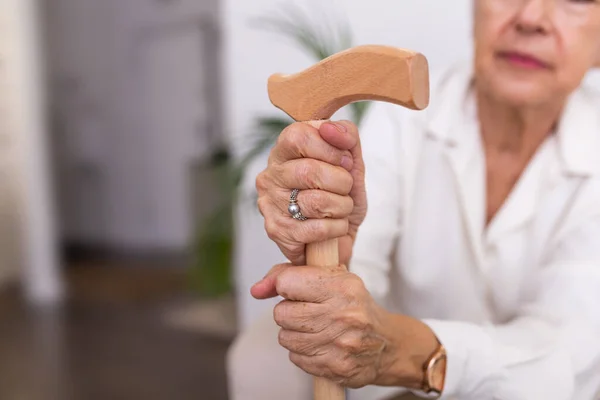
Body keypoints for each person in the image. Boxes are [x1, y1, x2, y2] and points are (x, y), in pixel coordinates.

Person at [227, 0, 600, 399]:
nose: (530, 18)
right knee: (259, 356)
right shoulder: (402, 116)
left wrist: (404, 354)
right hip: (392, 391)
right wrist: (335, 253)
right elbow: (358, 290)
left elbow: (567, 353)